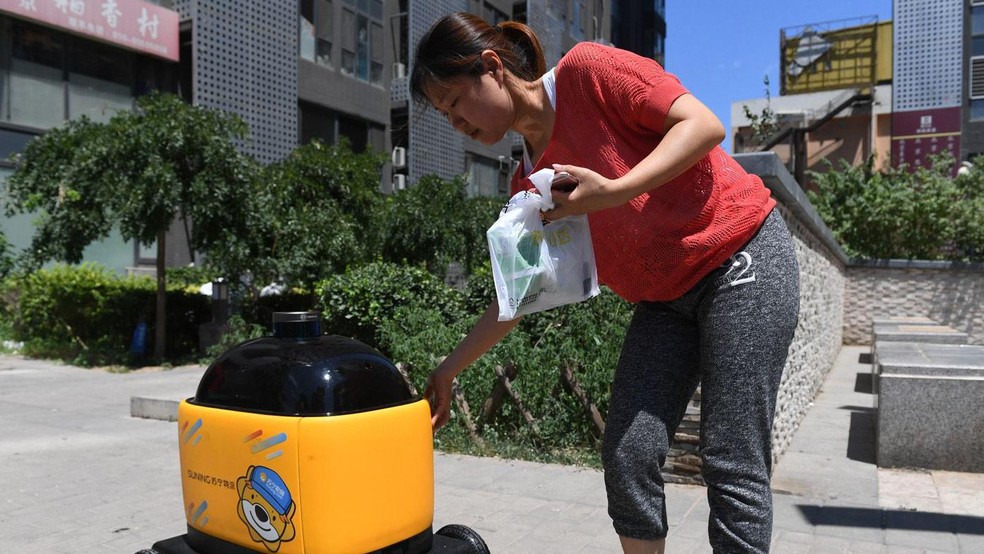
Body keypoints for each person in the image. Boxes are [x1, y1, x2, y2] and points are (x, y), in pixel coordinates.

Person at [409, 12, 799, 554]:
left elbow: (704, 126)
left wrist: (613, 190)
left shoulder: (588, 72)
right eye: (443, 115)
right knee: (628, 451)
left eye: (454, 102)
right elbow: (518, 297)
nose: (454, 122)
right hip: (666, 301)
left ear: (492, 69)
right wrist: (448, 370)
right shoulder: (530, 187)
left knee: (731, 454)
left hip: (740, 255)